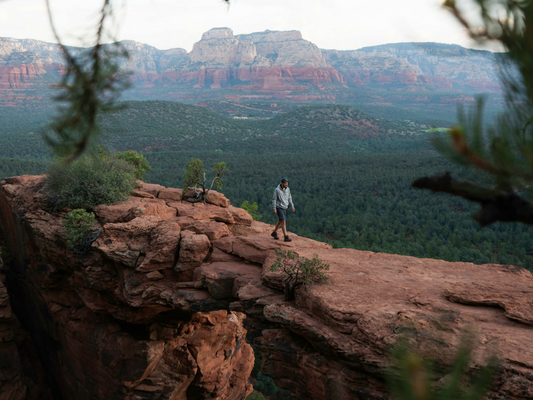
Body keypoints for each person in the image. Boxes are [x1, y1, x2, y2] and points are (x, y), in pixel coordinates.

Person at [271, 177, 295, 242]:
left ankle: (274, 233)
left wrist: (292, 205)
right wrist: (274, 208)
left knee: (280, 221)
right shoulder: (277, 190)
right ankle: (286, 237)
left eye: (287, 183)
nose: (286, 184)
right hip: (279, 207)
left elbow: (289, 197)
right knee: (283, 221)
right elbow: (274, 199)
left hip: (285, 207)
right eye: (285, 183)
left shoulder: (288, 189)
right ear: (282, 183)